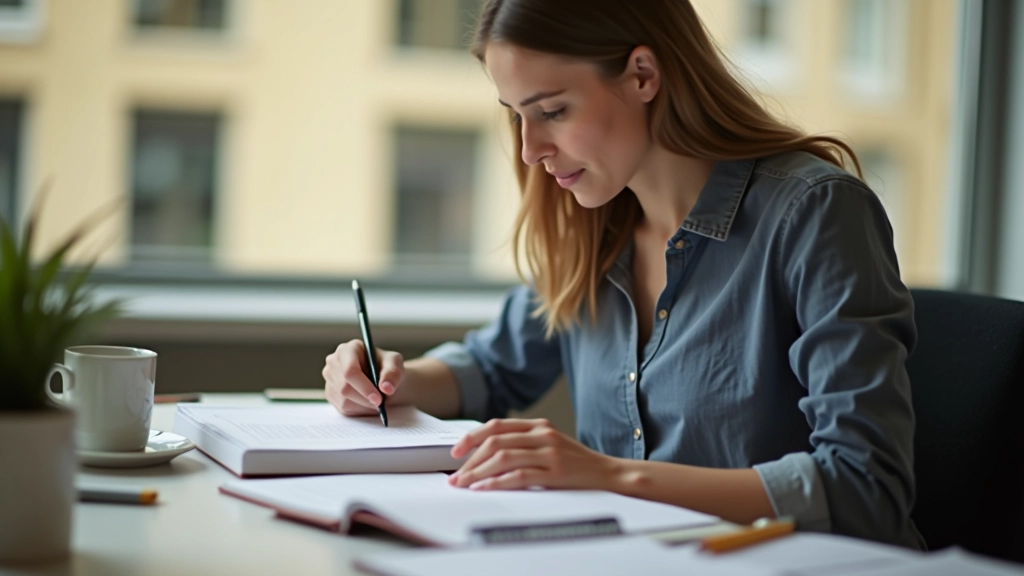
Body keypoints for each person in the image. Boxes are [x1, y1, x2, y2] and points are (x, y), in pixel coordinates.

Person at [323, 0, 923, 549]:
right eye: (516, 117)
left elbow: (865, 486)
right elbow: (490, 367)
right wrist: (385, 379)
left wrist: (609, 476)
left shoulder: (814, 212)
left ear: (642, 74)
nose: (531, 149)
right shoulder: (592, 229)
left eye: (553, 111)